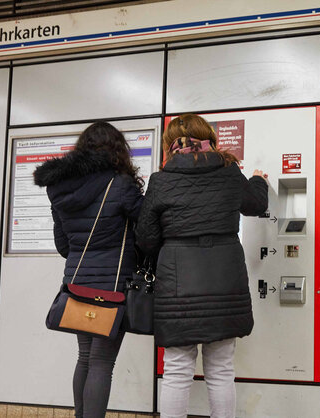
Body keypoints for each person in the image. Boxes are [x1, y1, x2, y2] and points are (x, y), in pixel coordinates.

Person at [135, 114, 269, 418]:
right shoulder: (228, 171)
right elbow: (256, 205)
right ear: (209, 137)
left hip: (177, 280)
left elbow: (145, 238)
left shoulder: (162, 180)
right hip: (225, 276)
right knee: (221, 369)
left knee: (177, 370)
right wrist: (259, 180)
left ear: (171, 144)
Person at [33, 122, 144, 418]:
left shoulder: (59, 189)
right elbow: (145, 231)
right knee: (101, 362)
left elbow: (64, 245)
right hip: (112, 286)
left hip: (77, 283)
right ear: (118, 150)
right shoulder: (119, 184)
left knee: (85, 358)